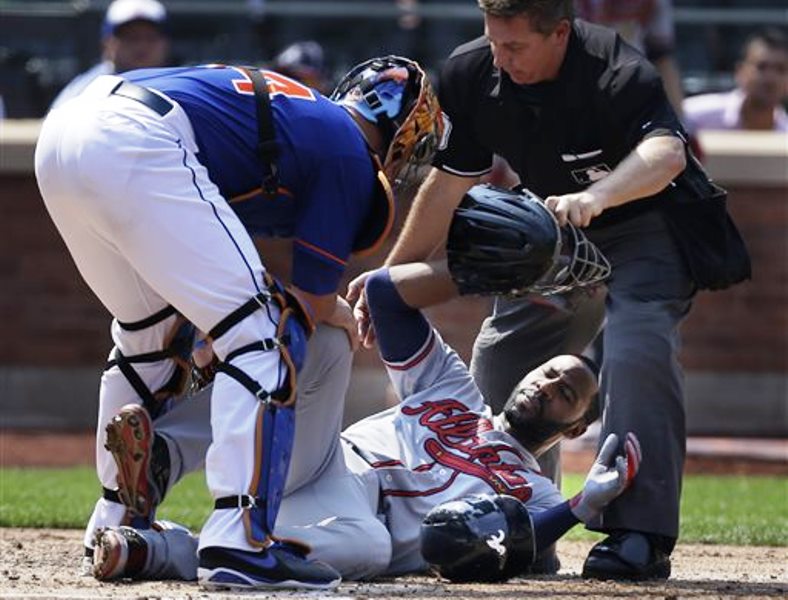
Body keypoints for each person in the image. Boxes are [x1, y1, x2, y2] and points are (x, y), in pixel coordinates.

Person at [35, 54, 444, 591]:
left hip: (66, 131)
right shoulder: (348, 149)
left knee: (151, 336)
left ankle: (115, 519)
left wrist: (215, 330)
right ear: (403, 132)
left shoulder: (307, 116)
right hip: (138, 140)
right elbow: (310, 302)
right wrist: (328, 314)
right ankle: (239, 541)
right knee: (267, 336)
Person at [347, 0, 700, 582]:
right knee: (501, 362)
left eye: (514, 46)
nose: (500, 58)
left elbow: (668, 153)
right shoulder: (473, 71)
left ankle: (639, 534)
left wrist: (599, 197)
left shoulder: (616, 68)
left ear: (559, 33)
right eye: (493, 42)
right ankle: (512, 531)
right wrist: (392, 275)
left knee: (636, 345)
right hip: (553, 234)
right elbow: (450, 183)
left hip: (647, 224)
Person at [86, 214, 640, 582]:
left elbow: (518, 543)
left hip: (351, 518)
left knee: (370, 546)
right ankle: (164, 454)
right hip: (324, 456)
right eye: (548, 374)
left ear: (575, 427)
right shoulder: (453, 387)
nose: (547, 386)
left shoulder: (535, 492)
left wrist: (581, 507)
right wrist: (472, 274)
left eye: (567, 393)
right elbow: (383, 295)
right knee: (329, 340)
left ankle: (156, 550)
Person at [50, 0, 170, 110]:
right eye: (132, 38)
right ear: (107, 43)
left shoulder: (176, 82)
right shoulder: (86, 89)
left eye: (151, 38)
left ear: (165, 43)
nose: (141, 46)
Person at [574, 0, 684, 115]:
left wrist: (679, 118)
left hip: (632, 86)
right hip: (582, 84)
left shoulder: (654, 3)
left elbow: (661, 59)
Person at [683, 28, 788, 135]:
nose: (770, 77)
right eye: (761, 67)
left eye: (781, 69)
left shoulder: (785, 132)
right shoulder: (693, 115)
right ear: (740, 72)